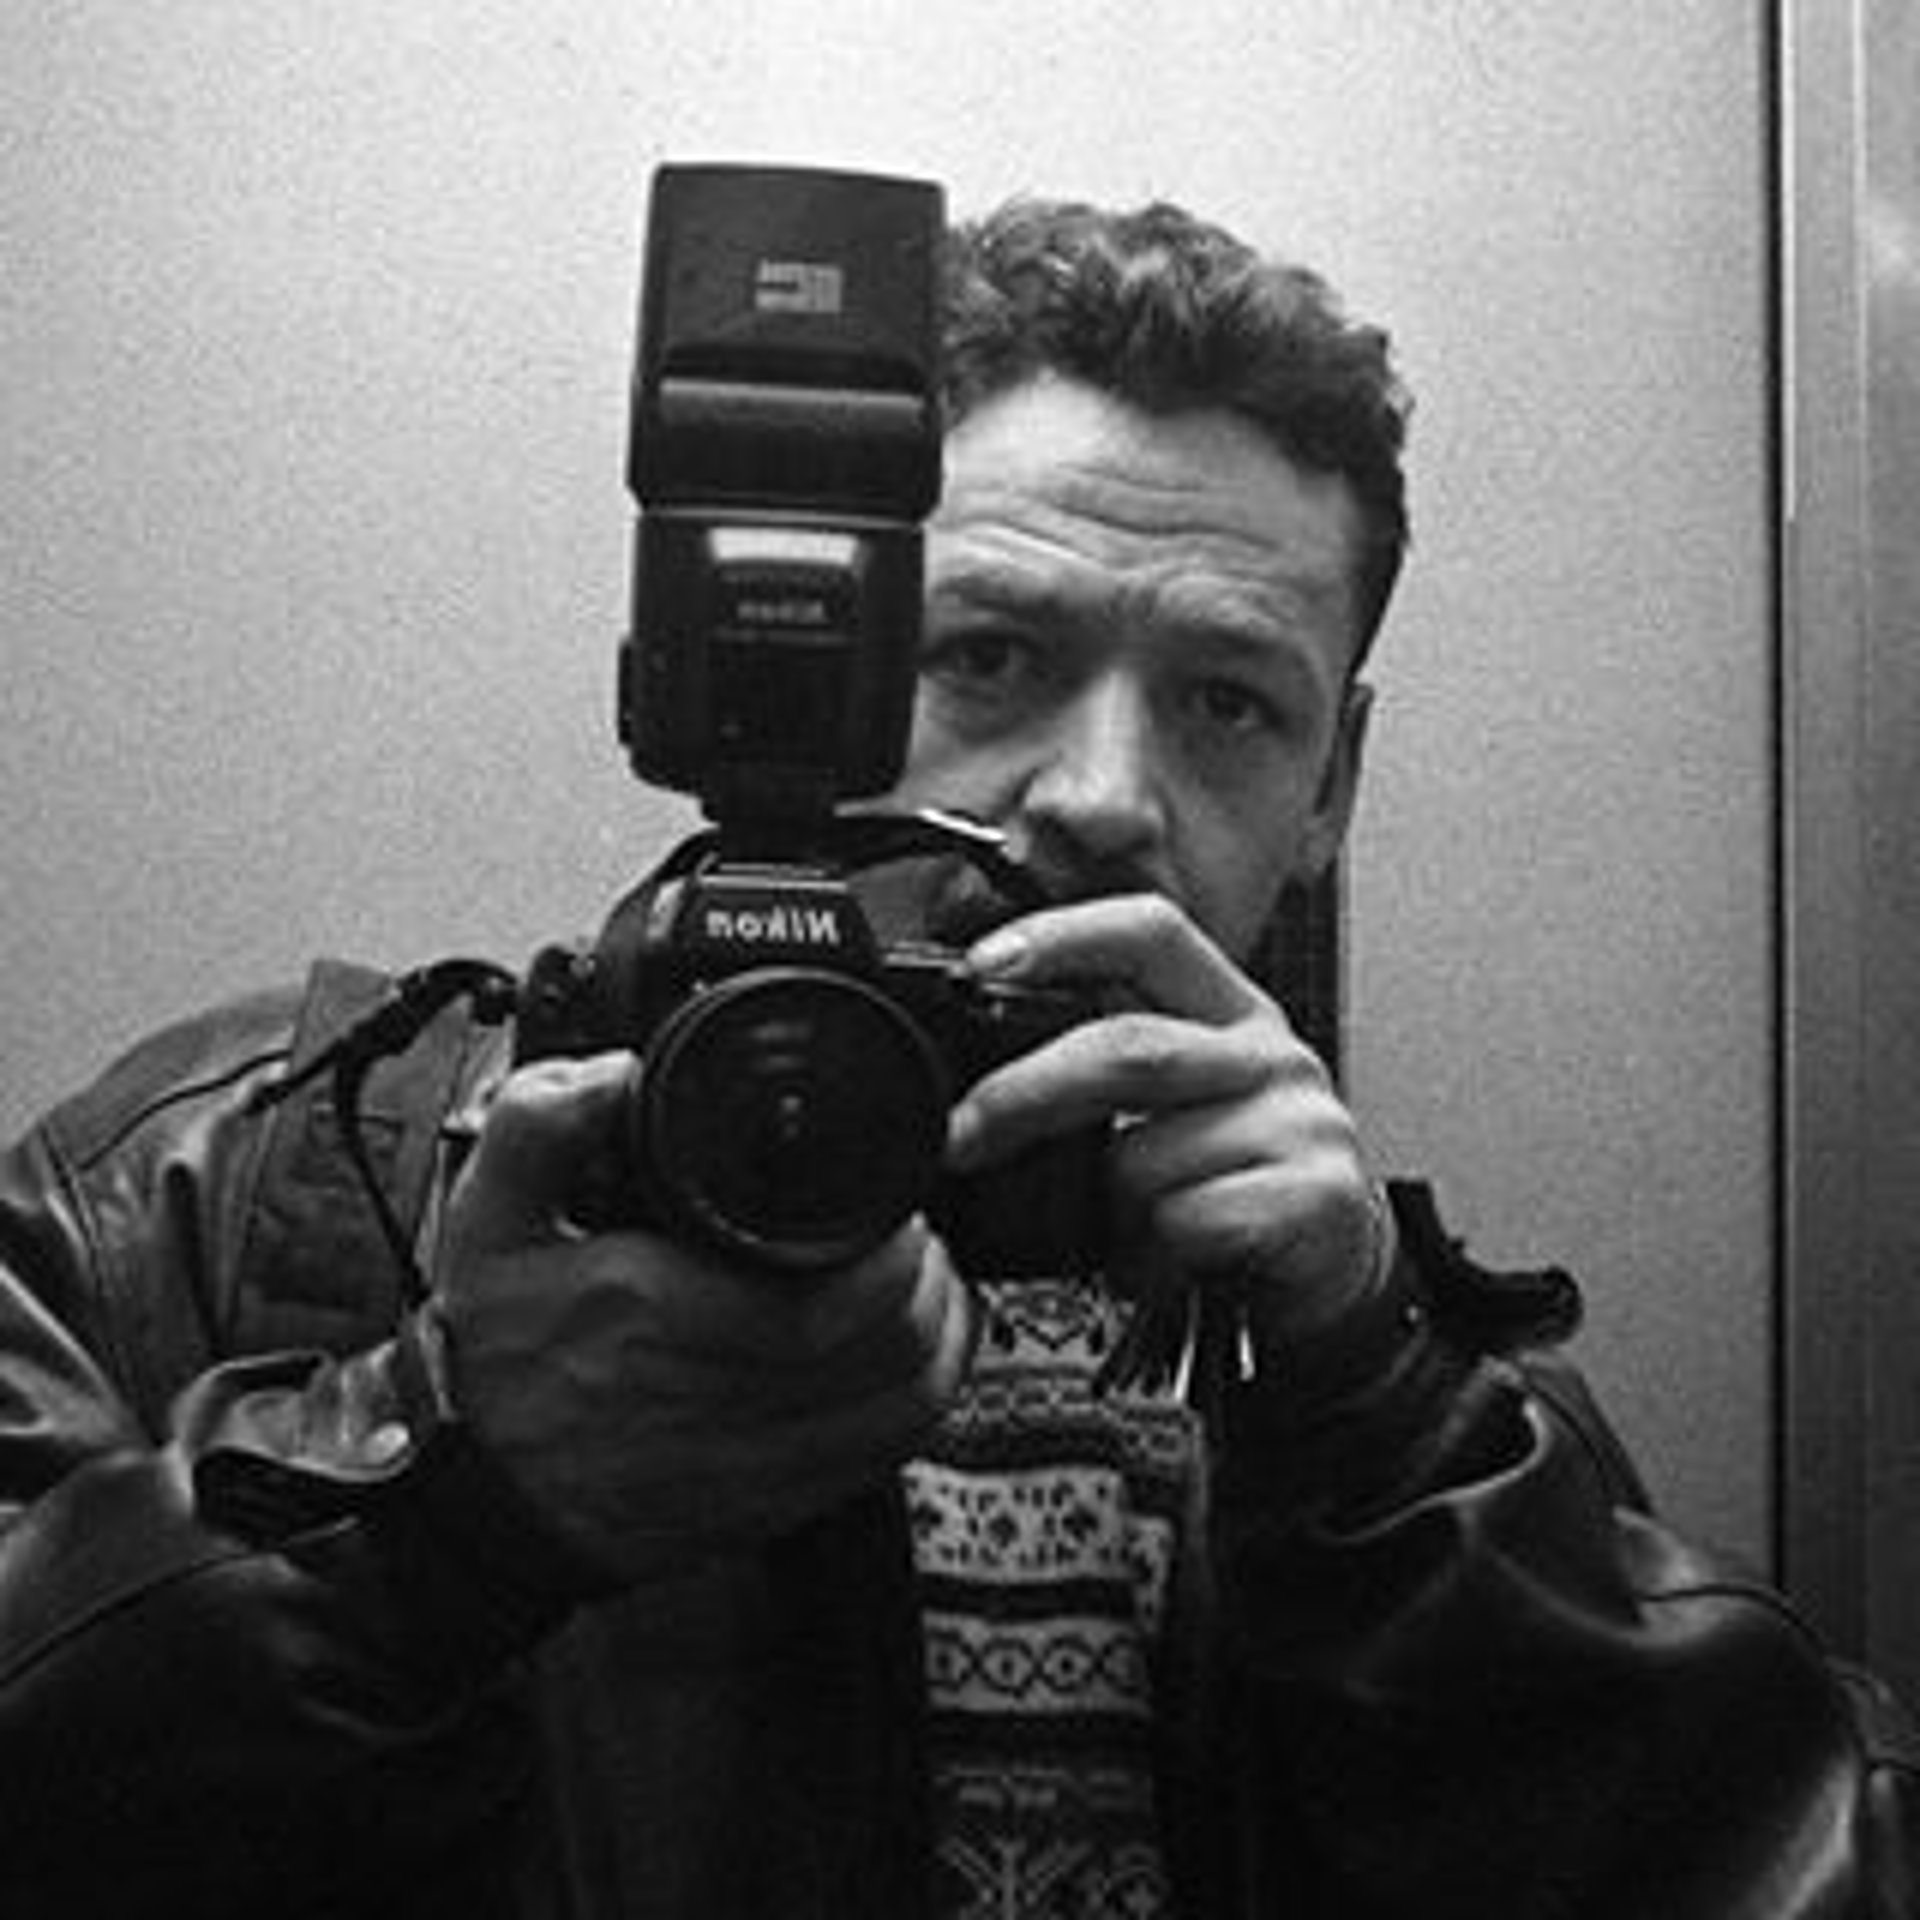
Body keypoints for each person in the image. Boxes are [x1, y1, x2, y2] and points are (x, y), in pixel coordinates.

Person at [0, 192, 1914, 1920]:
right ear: (801, 653)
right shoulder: (247, 1187)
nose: (1103, 796)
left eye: (1228, 704)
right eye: (991, 655)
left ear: (1333, 783)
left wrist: (1383, 1431)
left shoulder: (1369, 1360)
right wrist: (436, 1518)